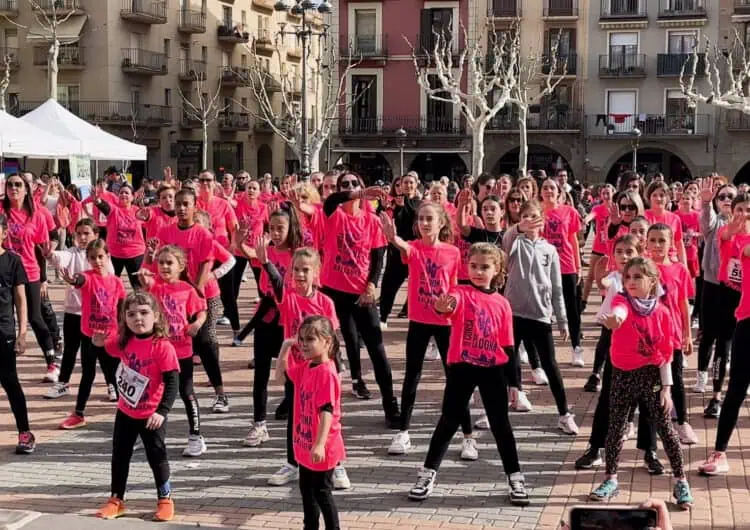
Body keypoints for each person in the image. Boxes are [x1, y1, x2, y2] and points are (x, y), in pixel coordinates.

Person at [407, 243, 528, 506]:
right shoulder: (460, 292)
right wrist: (441, 306)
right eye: (473, 266)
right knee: (448, 422)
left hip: (493, 370)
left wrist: (515, 383)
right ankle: (427, 473)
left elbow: (509, 347)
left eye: (485, 267)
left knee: (501, 426)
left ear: (497, 270)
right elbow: (447, 306)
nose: (478, 271)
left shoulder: (503, 304)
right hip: (462, 368)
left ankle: (515, 476)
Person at [590, 257, 694, 510]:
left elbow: (666, 351)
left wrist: (667, 389)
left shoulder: (662, 313)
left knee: (666, 429)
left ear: (652, 281)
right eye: (627, 277)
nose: (631, 282)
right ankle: (611, 479)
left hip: (651, 376)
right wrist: (615, 319)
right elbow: (618, 313)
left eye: (637, 277)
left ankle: (681, 482)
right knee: (616, 427)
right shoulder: (621, 301)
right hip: (623, 375)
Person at [380, 203, 477, 459]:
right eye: (421, 219)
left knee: (455, 378)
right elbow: (404, 246)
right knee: (412, 375)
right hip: (419, 321)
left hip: (446, 323)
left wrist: (452, 302)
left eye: (429, 218)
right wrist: (392, 238)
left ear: (441, 223)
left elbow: (457, 286)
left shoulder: (453, 252)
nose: (424, 223)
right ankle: (403, 432)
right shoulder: (414, 248)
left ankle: (468, 436)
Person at [260, 247, 351, 490]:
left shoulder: (325, 303)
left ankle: (337, 463)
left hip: (322, 371)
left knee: (330, 416)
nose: (299, 274)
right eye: (296, 270)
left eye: (305, 270)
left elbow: (333, 339)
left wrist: (337, 368)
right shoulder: (287, 297)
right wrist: (266, 262)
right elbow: (277, 283)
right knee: (297, 415)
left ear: (316, 273)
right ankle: (293, 463)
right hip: (297, 371)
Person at [574, 235, 663, 474]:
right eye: (619, 251)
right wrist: (602, 281)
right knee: (607, 401)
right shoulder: (615, 279)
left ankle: (649, 451)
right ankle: (595, 448)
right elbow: (606, 287)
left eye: (629, 251)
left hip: (646, 352)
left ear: (638, 252)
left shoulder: (646, 277)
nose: (624, 256)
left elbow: (658, 307)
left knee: (648, 403)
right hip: (619, 351)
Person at [321, 173, 399, 426]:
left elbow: (378, 259)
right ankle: (320, 405)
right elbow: (330, 202)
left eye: (356, 184)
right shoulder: (334, 215)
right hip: (333, 291)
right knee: (329, 347)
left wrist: (372, 285)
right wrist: (358, 195)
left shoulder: (372, 220)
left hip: (362, 292)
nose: (351, 188)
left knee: (377, 349)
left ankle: (390, 406)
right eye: (346, 185)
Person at [94, 291, 180, 522]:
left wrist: (162, 411)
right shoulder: (123, 341)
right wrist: (98, 342)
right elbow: (106, 346)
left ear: (156, 316)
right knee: (120, 455)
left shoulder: (162, 347)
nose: (137, 319)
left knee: (156, 456)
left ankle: (165, 498)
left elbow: (173, 381)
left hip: (151, 414)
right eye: (131, 314)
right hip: (126, 411)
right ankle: (116, 499)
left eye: (144, 313)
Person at [502, 201, 577, 431]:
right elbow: (505, 242)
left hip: (540, 315)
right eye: (525, 217)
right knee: (510, 357)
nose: (529, 221)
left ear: (542, 221)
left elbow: (556, 287)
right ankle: (515, 395)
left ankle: (564, 413)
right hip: (514, 312)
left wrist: (562, 319)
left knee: (550, 364)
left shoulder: (549, 250)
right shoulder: (515, 243)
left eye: (534, 217)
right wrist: (518, 228)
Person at [156, 188, 229, 413]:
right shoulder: (166, 231)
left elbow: (208, 262)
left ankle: (220, 394)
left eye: (185, 204)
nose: (180, 208)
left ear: (194, 206)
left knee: (205, 342)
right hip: (176, 297)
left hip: (204, 294)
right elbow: (162, 262)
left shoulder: (202, 233)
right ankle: (167, 394)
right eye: (178, 204)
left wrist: (196, 288)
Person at [240, 206, 303, 448]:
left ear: (291, 228)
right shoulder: (265, 252)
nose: (275, 233)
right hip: (266, 318)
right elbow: (243, 250)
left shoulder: (297, 255)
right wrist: (239, 237)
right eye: (272, 228)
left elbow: (285, 288)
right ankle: (259, 424)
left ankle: (296, 421)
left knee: (290, 373)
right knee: (261, 373)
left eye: (281, 228)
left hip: (289, 320)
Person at [137, 245, 208, 458]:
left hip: (182, 351)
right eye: (161, 262)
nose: (165, 266)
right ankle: (147, 434)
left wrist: (197, 324)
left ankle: (196, 436)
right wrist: (146, 268)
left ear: (181, 266)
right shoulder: (154, 287)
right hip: (159, 350)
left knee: (186, 392)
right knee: (152, 393)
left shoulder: (187, 289)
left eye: (170, 263)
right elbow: (143, 285)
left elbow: (202, 311)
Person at [276, 316, 345, 530]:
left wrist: (319, 443)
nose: (304, 344)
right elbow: (280, 378)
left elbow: (327, 411)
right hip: (304, 444)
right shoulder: (306, 367)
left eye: (310, 339)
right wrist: (286, 346)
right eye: (302, 339)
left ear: (327, 342)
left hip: (322, 446)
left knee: (322, 492)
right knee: (307, 490)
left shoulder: (327, 373)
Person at [699, 193, 750, 475]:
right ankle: (719, 453)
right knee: (736, 390)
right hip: (746, 319)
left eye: (748, 210)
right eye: (739, 209)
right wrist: (729, 233)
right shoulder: (733, 240)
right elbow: (728, 275)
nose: (744, 214)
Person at [45, 219, 117, 402]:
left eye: (87, 233)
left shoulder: (104, 260)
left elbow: (111, 284)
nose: (83, 237)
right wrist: (50, 255)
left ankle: (112, 384)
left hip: (98, 316)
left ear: (96, 235)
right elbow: (61, 257)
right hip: (74, 311)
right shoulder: (72, 253)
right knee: (70, 349)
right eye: (79, 233)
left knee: (103, 351)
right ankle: (63, 383)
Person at [57, 239, 126, 430]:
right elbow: (79, 280)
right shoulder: (88, 277)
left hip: (110, 337)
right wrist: (73, 280)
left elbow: (121, 308)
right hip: (89, 336)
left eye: (101, 257)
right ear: (88, 259)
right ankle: (78, 413)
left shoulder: (116, 282)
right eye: (93, 258)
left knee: (114, 374)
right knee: (87, 374)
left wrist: (122, 332)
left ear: (108, 256)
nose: (97, 261)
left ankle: (127, 412)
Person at [1, 173, 59, 381]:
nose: (13, 188)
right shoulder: (2, 210)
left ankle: (52, 361)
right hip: (5, 270)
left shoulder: (37, 214)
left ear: (27, 189)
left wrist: (43, 278)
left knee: (35, 317)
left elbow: (41, 250)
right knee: (6, 318)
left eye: (18, 184)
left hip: (30, 270)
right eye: (10, 185)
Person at [646, 223, 698, 445]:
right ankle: (647, 427)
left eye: (662, 240)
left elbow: (683, 303)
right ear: (646, 243)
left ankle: (682, 422)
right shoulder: (643, 268)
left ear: (670, 244)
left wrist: (687, 334)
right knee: (648, 382)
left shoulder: (679, 269)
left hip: (672, 334)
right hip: (648, 334)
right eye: (653, 240)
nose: (657, 245)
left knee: (676, 378)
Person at [694, 181, 738, 415]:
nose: (727, 200)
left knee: (725, 344)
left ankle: (716, 396)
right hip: (711, 287)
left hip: (734, 292)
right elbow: (705, 223)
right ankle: (701, 375)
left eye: (731, 196)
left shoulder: (745, 227)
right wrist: (705, 201)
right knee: (707, 337)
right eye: (722, 197)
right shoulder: (714, 224)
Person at [0, 213, 35, 454]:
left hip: (4, 332)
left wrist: (22, 333)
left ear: (4, 233)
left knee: (10, 382)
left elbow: (20, 299)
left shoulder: (12, 261)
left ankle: (25, 432)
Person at [540, 178, 584, 366]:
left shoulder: (569, 212)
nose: (549, 190)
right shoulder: (537, 212)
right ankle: (544, 356)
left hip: (566, 265)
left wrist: (578, 265)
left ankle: (577, 349)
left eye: (552, 187)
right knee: (544, 311)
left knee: (572, 310)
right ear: (540, 192)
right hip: (542, 267)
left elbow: (573, 239)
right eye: (545, 187)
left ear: (559, 192)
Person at [379, 173, 420, 328]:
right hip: (396, 250)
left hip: (413, 249)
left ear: (416, 185)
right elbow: (383, 218)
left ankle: (414, 316)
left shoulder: (419, 203)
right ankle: (383, 316)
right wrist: (385, 207)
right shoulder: (394, 203)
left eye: (411, 183)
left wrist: (404, 205)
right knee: (389, 284)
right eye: (405, 183)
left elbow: (414, 217)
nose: (408, 185)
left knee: (416, 285)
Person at [93, 184, 145, 289]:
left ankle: (139, 304)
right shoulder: (114, 209)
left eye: (127, 193)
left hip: (135, 253)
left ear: (132, 197)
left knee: (138, 286)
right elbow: (105, 207)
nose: (124, 194)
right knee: (109, 284)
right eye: (121, 192)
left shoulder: (138, 211)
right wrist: (98, 201)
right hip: (114, 254)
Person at [644, 181, 688, 267]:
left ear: (667, 198)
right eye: (654, 195)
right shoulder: (642, 216)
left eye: (662, 195)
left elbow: (679, 243)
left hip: (670, 262)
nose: (658, 198)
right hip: (648, 263)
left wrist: (684, 265)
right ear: (649, 198)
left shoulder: (675, 218)